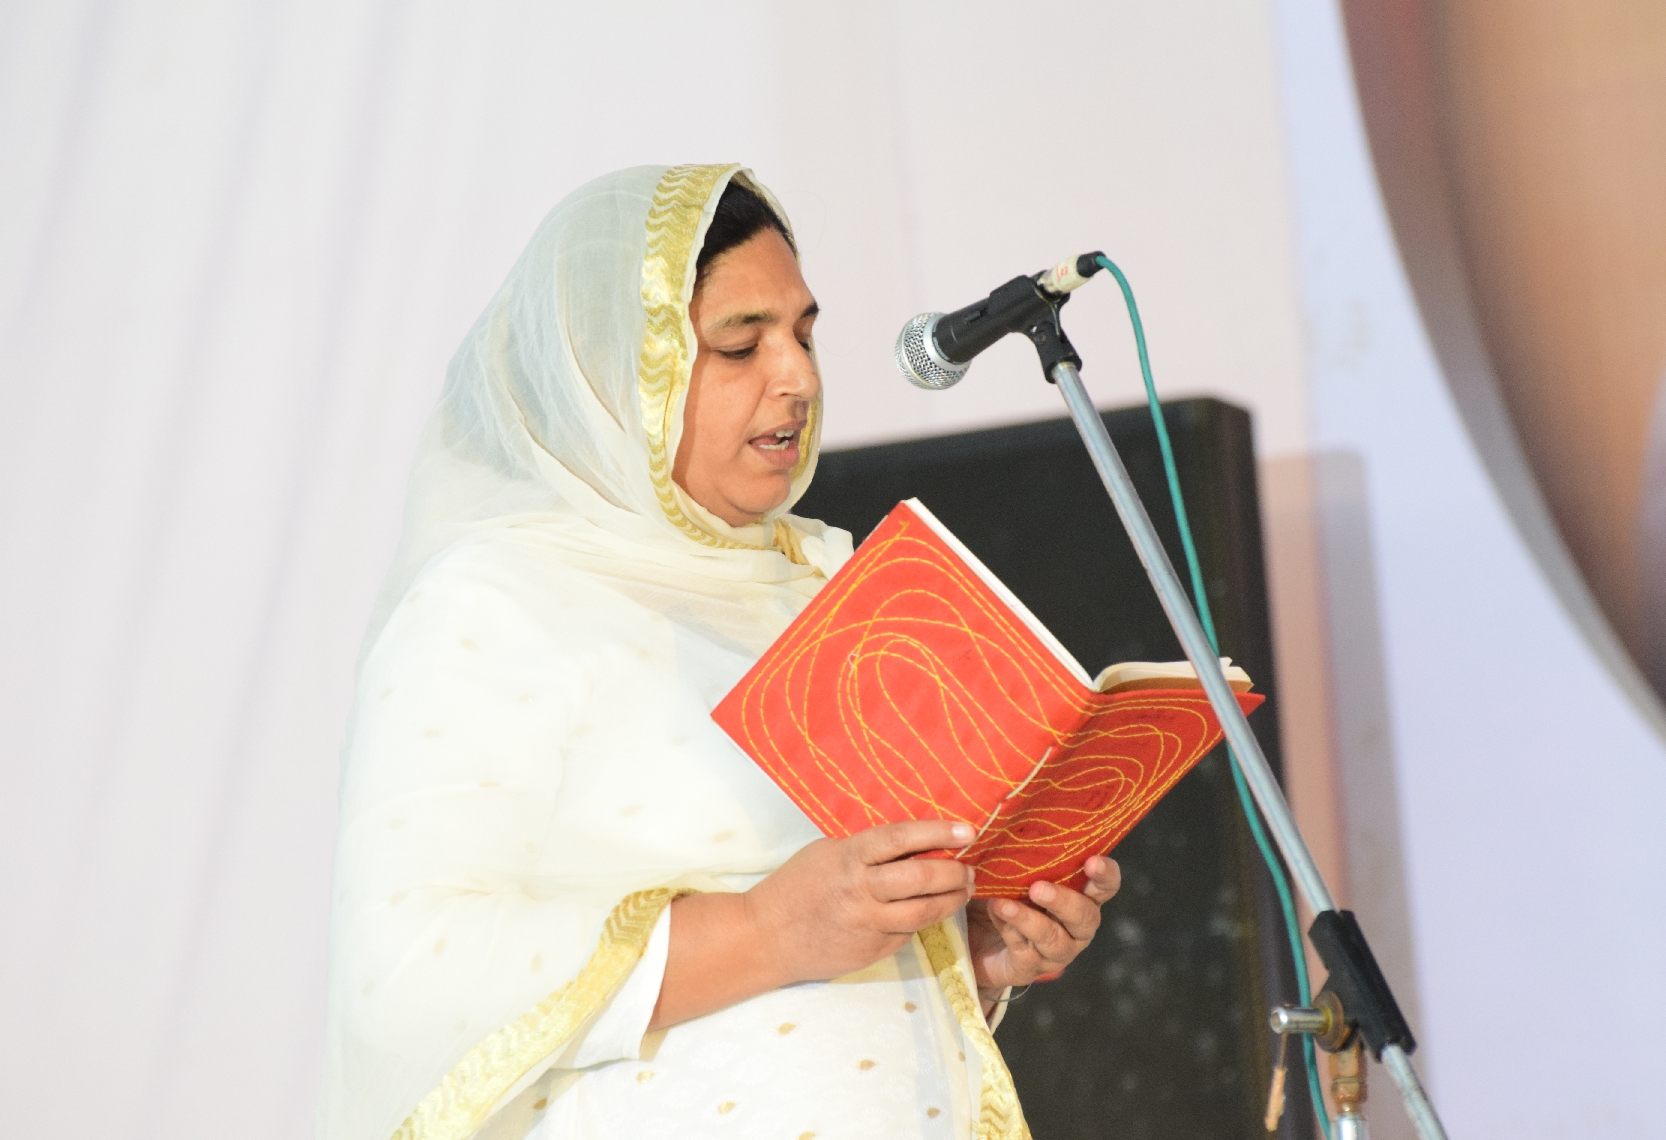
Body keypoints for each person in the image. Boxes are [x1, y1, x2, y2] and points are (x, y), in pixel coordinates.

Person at [321, 164, 1121, 1140]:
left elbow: (835, 957)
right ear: (613, 373)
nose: (799, 378)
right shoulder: (495, 598)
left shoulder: (825, 580)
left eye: (804, 335)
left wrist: (967, 942)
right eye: (740, 345)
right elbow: (402, 973)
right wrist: (763, 930)